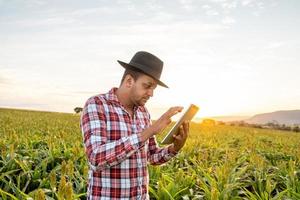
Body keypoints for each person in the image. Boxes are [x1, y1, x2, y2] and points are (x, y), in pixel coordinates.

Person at [80, 51, 190, 200]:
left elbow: (151, 157)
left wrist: (175, 148)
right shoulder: (97, 105)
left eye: (154, 88)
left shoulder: (143, 112)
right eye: (147, 86)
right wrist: (149, 131)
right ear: (129, 81)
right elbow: (96, 158)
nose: (151, 93)